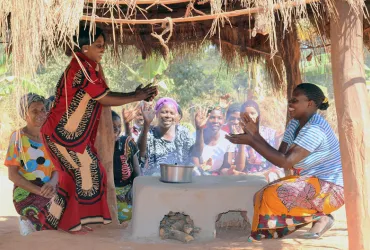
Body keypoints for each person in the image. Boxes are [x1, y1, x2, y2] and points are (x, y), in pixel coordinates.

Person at [38, 25, 158, 234]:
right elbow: (104, 98)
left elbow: (104, 94)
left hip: (66, 135)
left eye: (104, 46)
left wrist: (135, 94)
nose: (103, 50)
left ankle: (55, 223)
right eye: (99, 46)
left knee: (79, 174)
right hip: (62, 135)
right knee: (86, 172)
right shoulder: (82, 68)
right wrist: (137, 96)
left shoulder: (87, 67)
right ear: (85, 48)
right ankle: (70, 224)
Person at [226, 83, 344, 240]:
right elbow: (280, 155)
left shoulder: (316, 129)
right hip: (313, 182)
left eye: (295, 100)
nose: (290, 104)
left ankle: (318, 216)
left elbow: (285, 162)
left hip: (331, 189)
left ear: (310, 104)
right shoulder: (295, 123)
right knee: (260, 196)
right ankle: (318, 216)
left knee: (271, 195)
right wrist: (255, 135)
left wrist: (252, 141)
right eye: (290, 100)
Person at [4, 93, 58, 235]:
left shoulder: (51, 137)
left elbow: (57, 169)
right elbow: (13, 175)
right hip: (27, 193)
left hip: (50, 190)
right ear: (25, 114)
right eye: (34, 110)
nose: (41, 113)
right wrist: (39, 191)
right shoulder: (18, 138)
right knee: (39, 230)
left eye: (43, 110)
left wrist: (52, 184)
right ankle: (26, 225)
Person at [137, 97, 194, 176]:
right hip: (155, 181)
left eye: (171, 113)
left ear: (176, 116)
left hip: (180, 178)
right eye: (164, 112)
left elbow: (195, 153)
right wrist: (146, 124)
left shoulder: (183, 133)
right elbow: (140, 153)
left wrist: (200, 130)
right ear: (156, 114)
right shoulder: (149, 134)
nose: (168, 115)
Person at [231, 100, 284, 182]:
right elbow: (240, 168)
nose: (250, 116)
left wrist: (277, 141)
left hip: (268, 174)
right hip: (248, 177)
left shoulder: (270, 134)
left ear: (258, 115)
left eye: (253, 113)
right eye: (246, 114)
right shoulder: (237, 134)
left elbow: (277, 162)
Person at [112, 111, 140, 223]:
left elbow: (137, 171)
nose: (117, 130)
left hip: (128, 192)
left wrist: (134, 188)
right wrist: (112, 194)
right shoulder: (95, 148)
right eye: (112, 127)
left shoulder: (127, 142)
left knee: (138, 213)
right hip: (107, 195)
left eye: (119, 126)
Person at [192, 107, 236, 174]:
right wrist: (199, 129)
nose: (216, 121)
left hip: (218, 180)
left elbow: (225, 167)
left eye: (219, 118)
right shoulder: (194, 136)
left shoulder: (228, 139)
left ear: (224, 120)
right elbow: (195, 167)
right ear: (205, 119)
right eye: (212, 117)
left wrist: (228, 172)